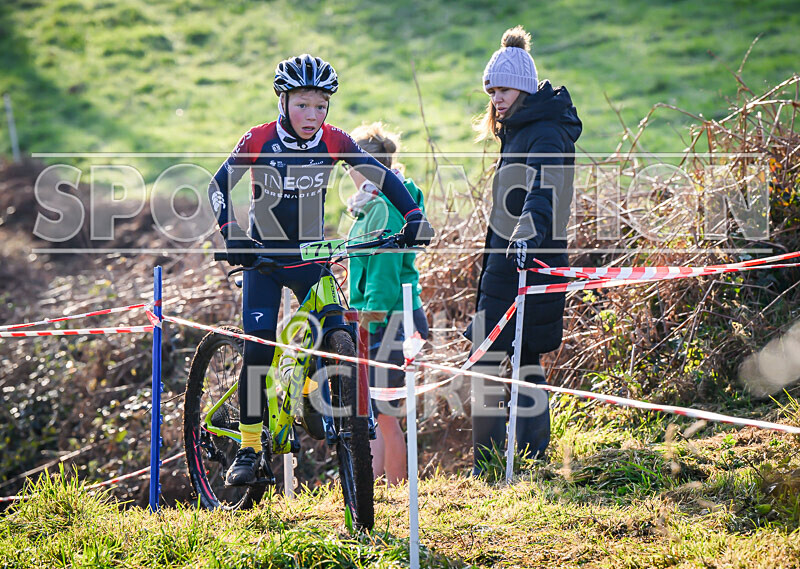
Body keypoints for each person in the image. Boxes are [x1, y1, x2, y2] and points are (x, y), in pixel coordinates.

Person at [207, 54, 434, 486]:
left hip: (311, 258)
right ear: (283, 100)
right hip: (264, 261)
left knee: (337, 329)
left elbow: (383, 177)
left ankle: (329, 403)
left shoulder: (334, 139)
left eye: (321, 105)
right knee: (260, 347)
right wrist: (232, 232)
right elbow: (218, 185)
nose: (313, 115)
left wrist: (413, 216)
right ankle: (250, 447)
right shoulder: (258, 139)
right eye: (303, 105)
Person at [467, 26, 582, 473]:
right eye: (491, 89)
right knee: (502, 355)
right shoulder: (517, 131)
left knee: (501, 356)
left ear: (526, 87)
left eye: (505, 88)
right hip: (505, 262)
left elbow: (545, 190)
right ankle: (507, 462)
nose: (496, 98)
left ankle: (500, 465)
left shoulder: (547, 134)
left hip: (530, 261)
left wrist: (526, 234)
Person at [345, 122, 429, 485]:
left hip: (388, 317)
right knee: (378, 413)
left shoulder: (383, 207)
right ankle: (376, 483)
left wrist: (367, 320)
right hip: (392, 314)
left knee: (387, 415)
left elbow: (383, 272)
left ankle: (395, 489)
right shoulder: (383, 200)